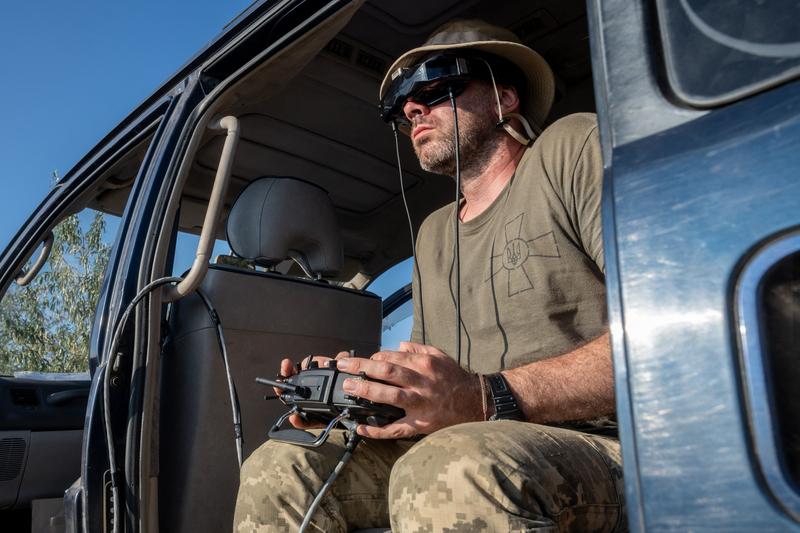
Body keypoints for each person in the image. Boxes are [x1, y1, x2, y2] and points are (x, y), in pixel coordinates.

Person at [234, 19, 626, 532]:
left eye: (436, 85)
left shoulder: (572, 148)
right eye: (402, 106)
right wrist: (356, 396)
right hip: (459, 437)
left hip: (607, 440)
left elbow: (664, 331)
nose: (413, 109)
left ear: (504, 97)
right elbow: (428, 374)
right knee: (280, 465)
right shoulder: (435, 233)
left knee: (448, 467)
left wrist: (487, 397)